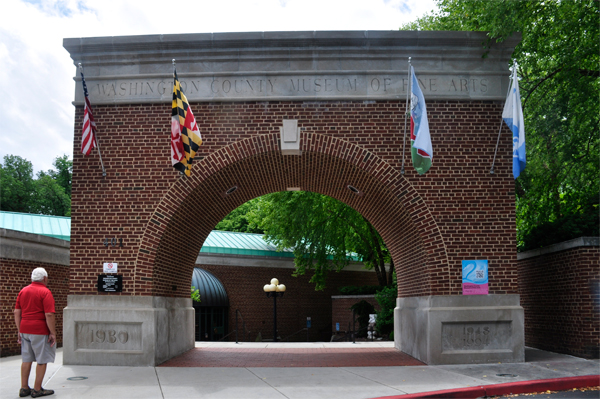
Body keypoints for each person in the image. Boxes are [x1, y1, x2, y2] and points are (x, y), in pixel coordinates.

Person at [14, 267, 56, 398]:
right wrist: (53, 332)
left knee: (26, 359)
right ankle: (37, 389)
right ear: (44, 278)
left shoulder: (23, 291)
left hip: (25, 329)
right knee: (42, 360)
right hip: (39, 330)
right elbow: (49, 314)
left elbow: (17, 312)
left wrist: (19, 330)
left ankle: (24, 388)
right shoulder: (45, 292)